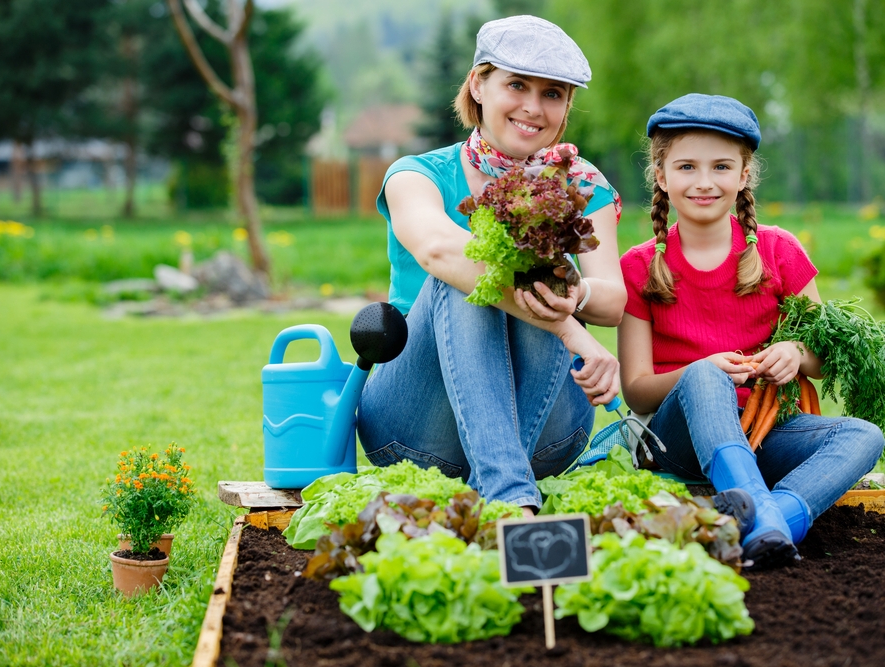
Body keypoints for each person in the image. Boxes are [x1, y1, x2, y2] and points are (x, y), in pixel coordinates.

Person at [357, 15, 627, 516]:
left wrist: (578, 295)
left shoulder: (582, 185)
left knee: (540, 268)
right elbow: (438, 252)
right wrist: (571, 329)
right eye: (517, 85)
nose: (533, 107)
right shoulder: (417, 175)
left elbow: (612, 298)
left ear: (568, 105)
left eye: (553, 93)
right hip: (416, 428)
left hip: (544, 429)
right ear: (479, 84)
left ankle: (502, 492)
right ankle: (509, 500)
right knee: (461, 273)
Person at [618, 93, 885, 568]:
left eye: (721, 167)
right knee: (703, 376)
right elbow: (638, 393)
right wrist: (701, 370)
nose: (704, 182)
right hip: (680, 446)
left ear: (743, 176)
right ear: (661, 176)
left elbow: (821, 360)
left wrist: (796, 352)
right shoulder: (639, 266)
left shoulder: (780, 251)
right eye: (686, 168)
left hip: (767, 431)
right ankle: (765, 513)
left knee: (864, 435)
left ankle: (769, 519)